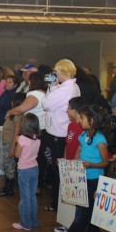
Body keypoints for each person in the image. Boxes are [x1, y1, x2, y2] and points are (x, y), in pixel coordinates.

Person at [54, 105, 110, 232]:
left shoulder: (100, 139)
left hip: (94, 180)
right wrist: (69, 163)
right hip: (83, 178)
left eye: (83, 119)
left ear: (91, 121)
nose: (80, 122)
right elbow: (79, 153)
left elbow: (105, 162)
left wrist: (91, 164)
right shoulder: (84, 135)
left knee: (82, 213)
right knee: (90, 212)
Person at [41, 59, 81, 212]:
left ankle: (57, 203)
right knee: (59, 168)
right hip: (62, 130)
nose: (54, 74)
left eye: (57, 71)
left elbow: (46, 104)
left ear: (63, 72)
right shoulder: (70, 86)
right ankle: (59, 202)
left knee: (59, 169)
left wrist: (51, 90)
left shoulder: (66, 89)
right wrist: (53, 88)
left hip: (59, 132)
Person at [53, 96, 85, 232]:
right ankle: (66, 224)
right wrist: (65, 160)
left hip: (76, 167)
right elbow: (68, 143)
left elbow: (80, 146)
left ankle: (71, 226)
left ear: (75, 110)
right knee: (66, 195)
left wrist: (73, 163)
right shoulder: (71, 125)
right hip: (69, 165)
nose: (67, 110)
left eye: (69, 108)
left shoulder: (82, 126)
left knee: (75, 198)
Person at [13, 113, 41, 231]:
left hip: (24, 171)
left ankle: (26, 224)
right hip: (34, 169)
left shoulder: (22, 139)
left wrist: (16, 143)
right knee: (32, 197)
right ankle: (34, 221)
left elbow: (17, 154)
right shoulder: (37, 139)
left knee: (25, 198)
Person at [0, 92, 25, 197]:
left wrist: (13, 146)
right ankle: (7, 186)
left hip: (10, 143)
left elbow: (17, 131)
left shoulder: (17, 115)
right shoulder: (13, 114)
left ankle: (9, 189)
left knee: (9, 166)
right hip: (7, 142)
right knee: (7, 165)